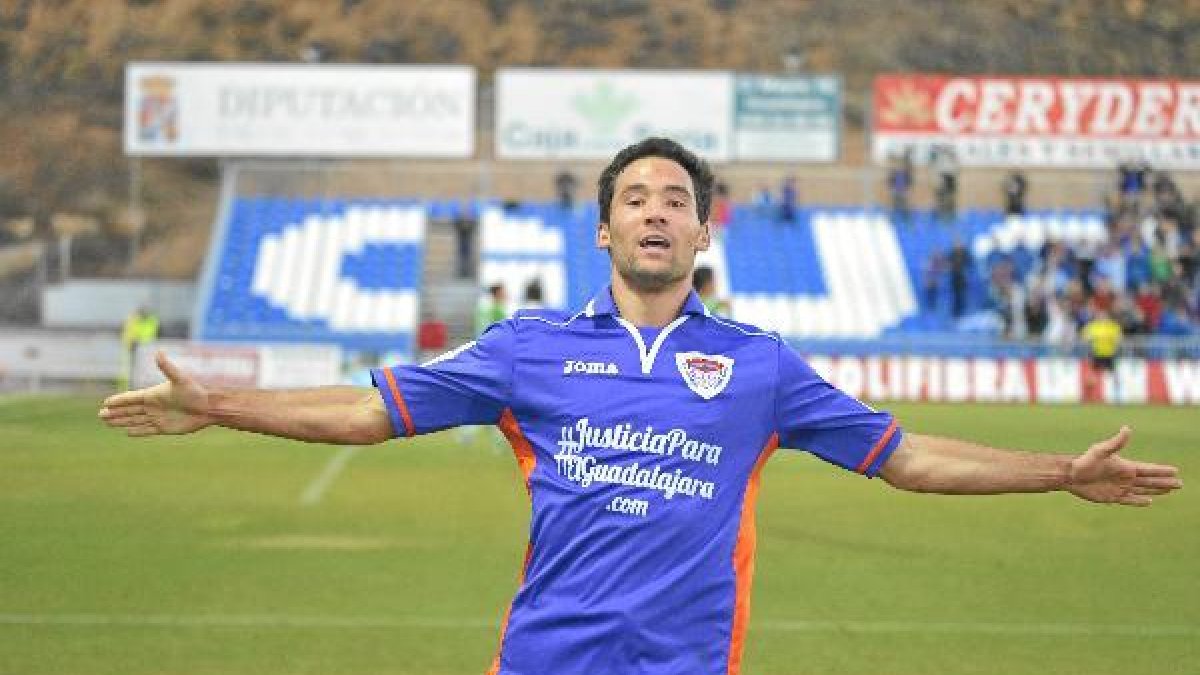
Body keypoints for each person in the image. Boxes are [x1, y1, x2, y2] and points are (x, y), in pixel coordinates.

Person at [99, 137, 1182, 675]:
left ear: (705, 232)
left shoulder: (761, 368)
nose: (655, 214)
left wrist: (1061, 471)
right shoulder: (527, 350)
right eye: (634, 200)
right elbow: (369, 410)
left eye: (676, 201)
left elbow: (905, 456)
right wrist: (225, 406)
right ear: (604, 233)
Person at [1081, 307, 1123, 402]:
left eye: (1104, 315)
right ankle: (1088, 396)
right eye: (1100, 315)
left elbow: (1119, 338)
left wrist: (1114, 340)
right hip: (1096, 354)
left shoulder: (1113, 326)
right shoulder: (1092, 326)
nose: (1102, 317)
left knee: (1115, 376)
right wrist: (1090, 339)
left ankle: (1118, 397)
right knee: (1091, 376)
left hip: (1110, 354)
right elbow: (1085, 337)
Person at [118, 305, 159, 390]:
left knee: (142, 371)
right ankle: (129, 388)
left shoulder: (150, 320)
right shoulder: (135, 320)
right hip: (134, 348)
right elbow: (130, 334)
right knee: (131, 370)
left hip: (146, 349)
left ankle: (136, 388)